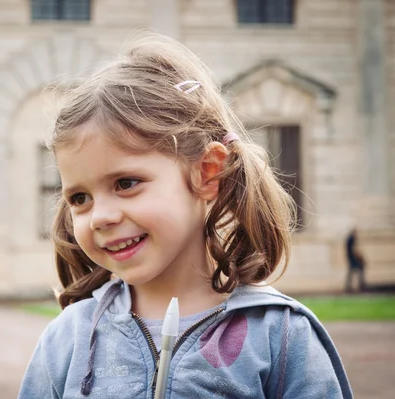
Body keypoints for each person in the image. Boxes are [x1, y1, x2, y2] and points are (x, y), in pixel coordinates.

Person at [19, 33, 352, 398]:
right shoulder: (68, 338)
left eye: (126, 182)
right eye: (80, 197)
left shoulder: (280, 336)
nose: (100, 217)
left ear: (207, 173)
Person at [345, 228, 366, 292]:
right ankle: (360, 284)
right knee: (359, 270)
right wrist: (359, 256)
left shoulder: (349, 239)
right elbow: (353, 249)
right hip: (353, 258)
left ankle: (349, 285)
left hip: (351, 257)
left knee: (352, 271)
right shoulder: (351, 239)